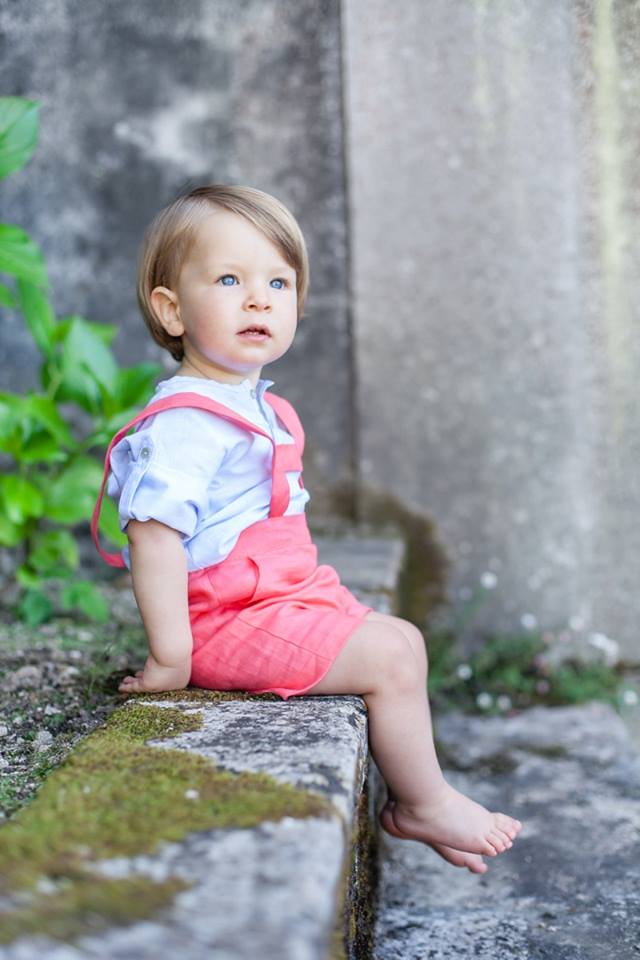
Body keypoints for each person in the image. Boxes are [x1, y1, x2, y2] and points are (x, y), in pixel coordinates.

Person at [92, 184, 522, 875]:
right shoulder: (185, 424)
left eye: (278, 281)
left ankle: (422, 798)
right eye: (229, 279)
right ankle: (425, 804)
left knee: (403, 641)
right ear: (170, 310)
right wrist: (171, 659)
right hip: (226, 623)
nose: (258, 298)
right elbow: (153, 535)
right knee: (388, 661)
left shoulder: (250, 403)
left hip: (275, 599)